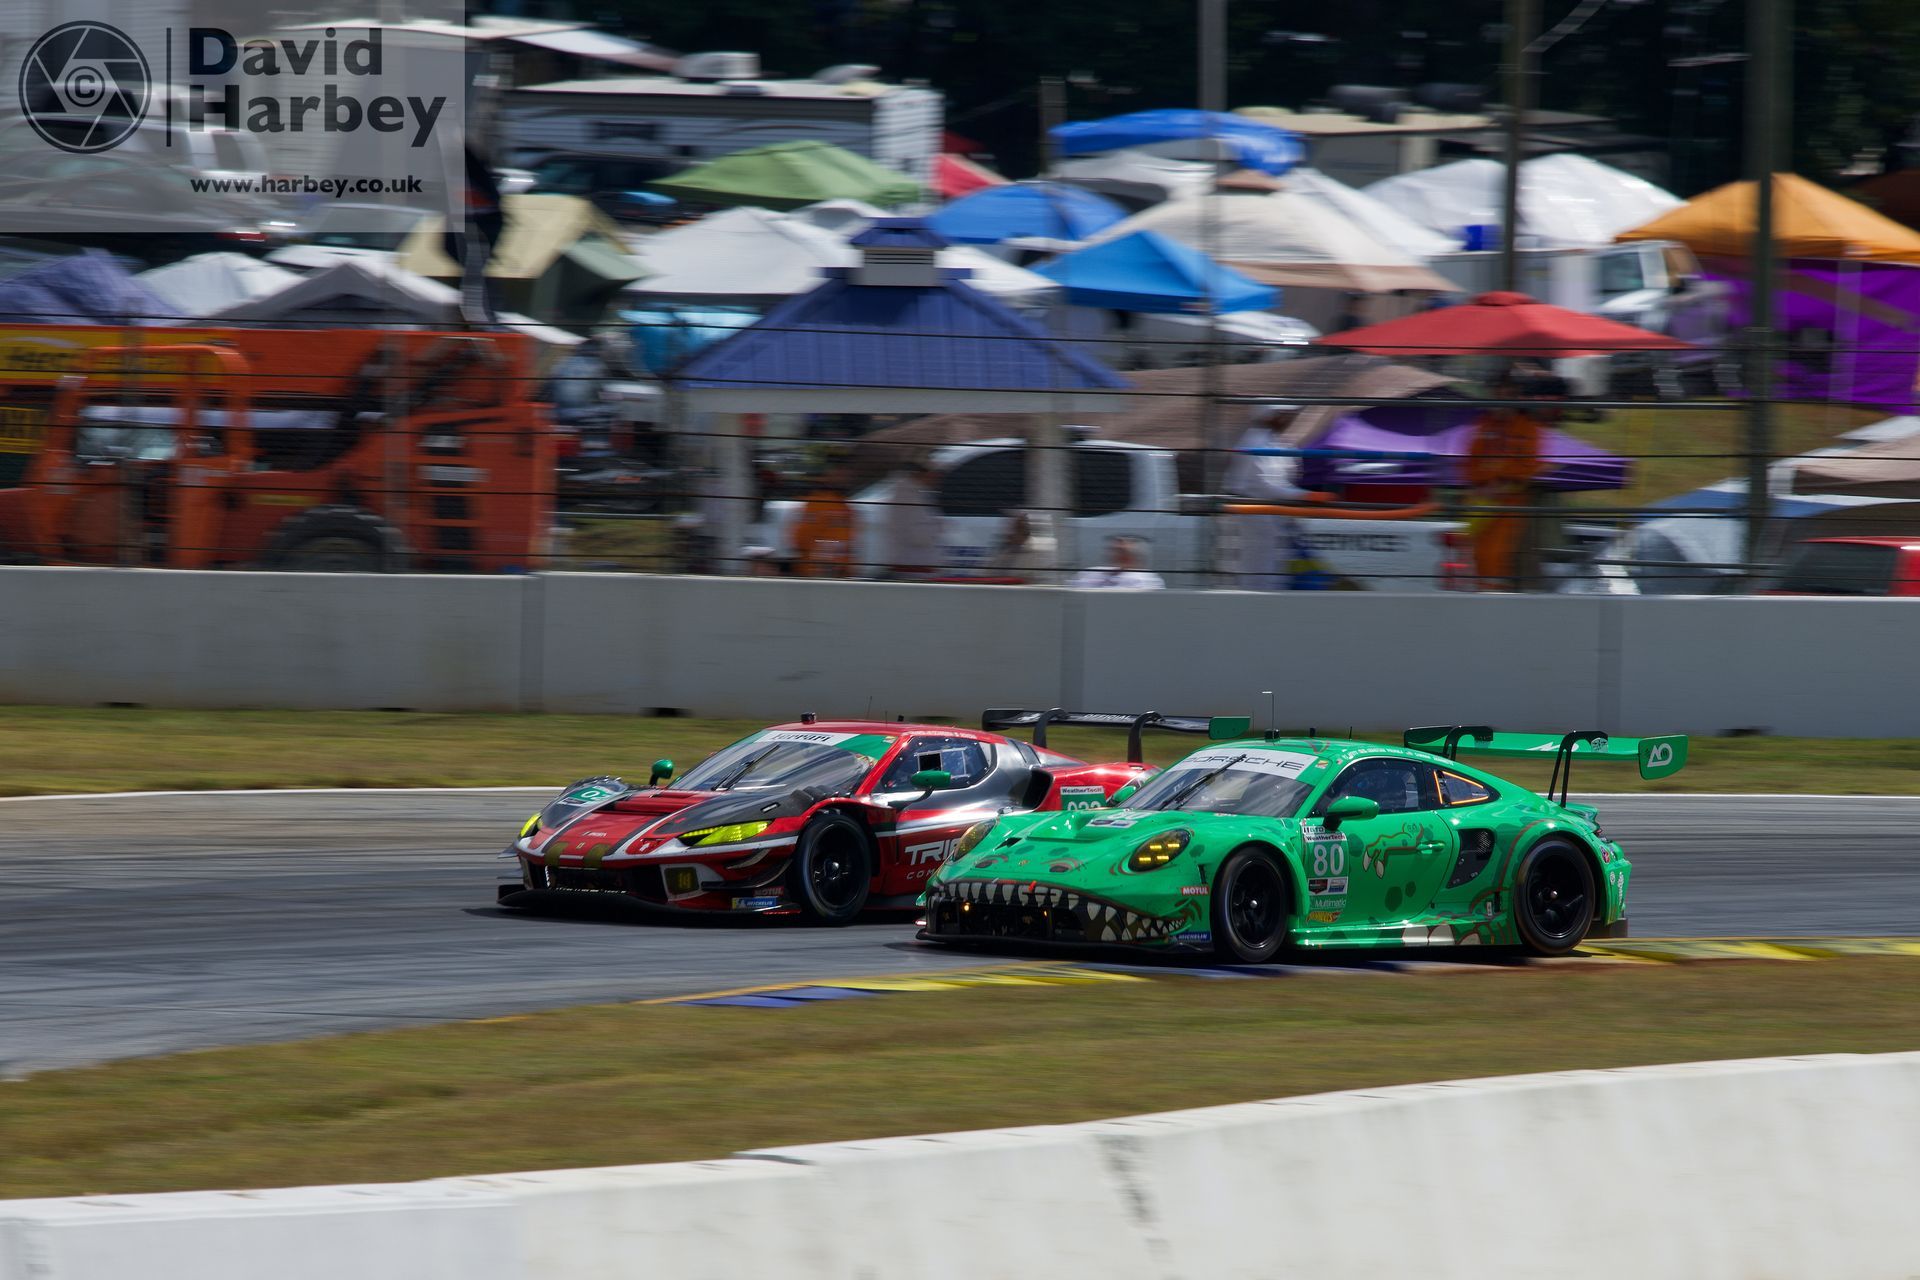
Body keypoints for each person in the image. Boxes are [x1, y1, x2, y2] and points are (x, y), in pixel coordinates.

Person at [1464, 369, 1553, 590]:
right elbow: (1469, 464)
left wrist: (1503, 481)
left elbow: (1530, 466)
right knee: (1478, 553)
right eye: (1498, 394)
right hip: (1482, 503)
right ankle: (1484, 593)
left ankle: (1499, 595)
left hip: (1513, 504)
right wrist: (1483, 485)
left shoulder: (1529, 429)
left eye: (1508, 395)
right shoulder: (1482, 426)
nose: (1502, 401)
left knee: (1503, 555)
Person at [1220, 404, 1307, 590]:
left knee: (1273, 556)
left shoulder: (1275, 442)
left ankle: (1269, 592)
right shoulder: (1255, 443)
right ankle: (1257, 595)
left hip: (1274, 511)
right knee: (1258, 558)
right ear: (1269, 416)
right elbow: (1263, 485)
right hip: (1255, 509)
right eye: (1283, 415)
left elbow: (1287, 475)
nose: (1289, 419)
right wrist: (1305, 495)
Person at [789, 460, 857, 578]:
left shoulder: (842, 505)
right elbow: (800, 539)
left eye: (847, 473)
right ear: (828, 474)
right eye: (841, 472)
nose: (847, 477)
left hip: (835, 575)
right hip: (819, 575)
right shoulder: (817, 503)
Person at [882, 458, 942, 579]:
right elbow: (919, 536)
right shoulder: (909, 496)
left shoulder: (909, 493)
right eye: (932, 473)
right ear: (919, 474)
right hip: (914, 568)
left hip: (913, 565)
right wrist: (939, 526)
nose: (936, 477)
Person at [1070, 535, 1166, 589]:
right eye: (1112, 549)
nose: (1112, 553)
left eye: (1120, 551)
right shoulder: (1090, 573)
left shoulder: (1146, 579)